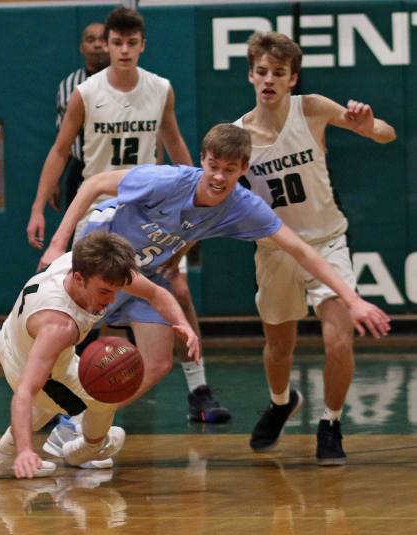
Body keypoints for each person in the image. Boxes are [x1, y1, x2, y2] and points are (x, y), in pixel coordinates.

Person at [37, 123, 390, 427]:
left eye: (230, 169)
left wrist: (352, 299)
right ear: (202, 160)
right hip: (102, 256)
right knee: (60, 339)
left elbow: (301, 249)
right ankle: (26, 405)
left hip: (146, 272)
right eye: (213, 166)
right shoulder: (169, 180)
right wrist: (56, 245)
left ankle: (83, 422)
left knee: (157, 363)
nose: (219, 177)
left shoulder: (243, 206)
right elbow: (95, 184)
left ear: (244, 169)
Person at [27, 5, 229, 424]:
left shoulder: (160, 89)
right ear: (107, 44)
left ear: (142, 46)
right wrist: (37, 207)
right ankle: (65, 403)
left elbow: (176, 146)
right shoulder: (86, 92)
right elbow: (61, 150)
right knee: (88, 308)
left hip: (152, 213)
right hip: (100, 214)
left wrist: (196, 202)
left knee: (179, 291)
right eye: (116, 42)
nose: (123, 50)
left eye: (131, 43)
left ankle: (199, 389)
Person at [233, 31, 397, 465]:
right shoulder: (237, 136)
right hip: (276, 250)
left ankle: (331, 422)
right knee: (279, 346)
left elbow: (388, 134)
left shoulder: (312, 109)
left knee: (339, 341)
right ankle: (282, 402)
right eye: (262, 71)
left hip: (326, 242)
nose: (269, 79)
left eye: (279, 72)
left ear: (292, 79)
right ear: (251, 76)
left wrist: (368, 126)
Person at [0, 231, 200, 480]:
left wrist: (183, 324)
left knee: (57, 388)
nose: (111, 300)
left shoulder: (86, 264)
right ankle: (87, 449)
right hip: (27, 368)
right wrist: (26, 451)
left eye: (117, 290)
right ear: (78, 279)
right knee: (104, 391)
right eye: (104, 292)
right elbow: (24, 393)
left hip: (13, 335)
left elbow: (156, 293)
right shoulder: (60, 326)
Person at [51, 22, 109, 211]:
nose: (97, 45)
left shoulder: (132, 82)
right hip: (82, 168)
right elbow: (63, 143)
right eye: (91, 40)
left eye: (102, 39)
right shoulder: (69, 86)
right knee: (79, 227)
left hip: (122, 165)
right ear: (81, 48)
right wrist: (54, 180)